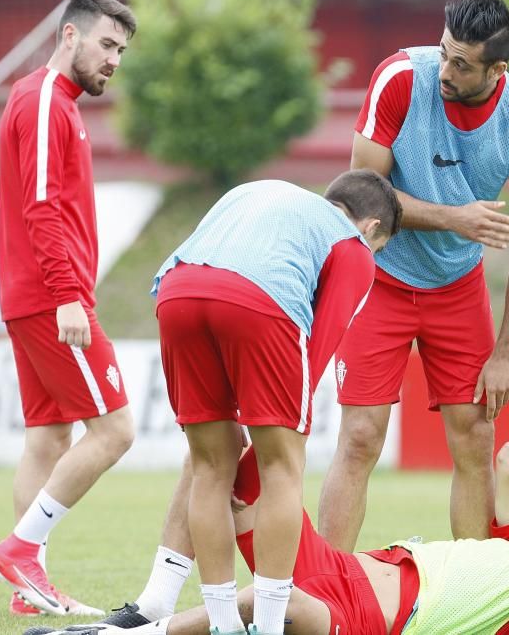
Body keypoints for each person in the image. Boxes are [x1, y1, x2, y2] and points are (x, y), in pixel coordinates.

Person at [319, 0, 509, 553]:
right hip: (377, 277)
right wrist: (454, 217)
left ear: (497, 70)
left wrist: (505, 353)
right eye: (445, 53)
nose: (445, 71)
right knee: (360, 437)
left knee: (475, 438)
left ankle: (471, 589)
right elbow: (357, 198)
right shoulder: (399, 78)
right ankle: (326, 589)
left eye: (462, 64)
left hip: (458, 289)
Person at [31, 442, 509, 635]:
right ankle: (156, 597)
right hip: (337, 566)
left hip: (358, 621)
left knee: (265, 602)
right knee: (231, 460)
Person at [150, 172, 402, 635]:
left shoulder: (259, 191)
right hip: (260, 301)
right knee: (282, 467)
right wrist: (264, 452)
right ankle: (268, 625)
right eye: (379, 247)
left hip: (176, 292)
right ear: (370, 227)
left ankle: (223, 625)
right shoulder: (352, 246)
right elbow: (317, 353)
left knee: (209, 468)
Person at [0, 0, 138, 618]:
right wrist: (69, 297)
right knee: (116, 431)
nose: (114, 60)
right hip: (53, 299)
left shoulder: (51, 100)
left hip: (32, 298)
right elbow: (42, 207)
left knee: (48, 438)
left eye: (121, 51)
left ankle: (28, 587)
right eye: (106, 44)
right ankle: (20, 550)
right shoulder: (47, 98)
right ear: (69, 36)